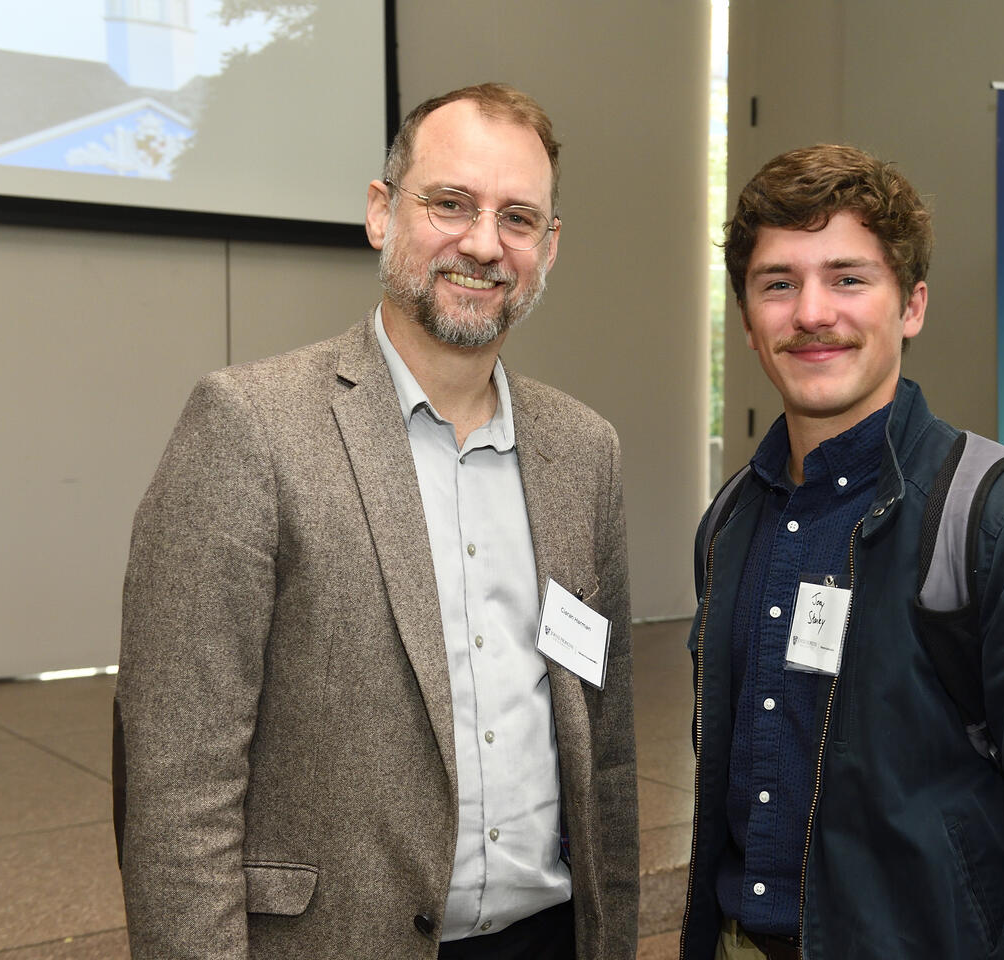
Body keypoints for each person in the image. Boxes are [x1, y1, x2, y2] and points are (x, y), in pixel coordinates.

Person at [115, 83, 637, 960]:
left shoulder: (585, 451)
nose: (482, 243)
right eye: (450, 204)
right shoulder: (249, 425)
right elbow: (176, 783)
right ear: (380, 212)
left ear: (548, 249)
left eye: (517, 218)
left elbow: (607, 753)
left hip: (546, 938)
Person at [679, 144, 1004, 960]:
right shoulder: (731, 519)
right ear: (745, 318)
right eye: (779, 282)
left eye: (848, 278)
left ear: (910, 306)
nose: (811, 312)